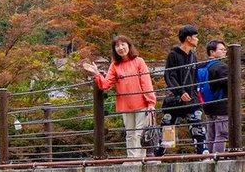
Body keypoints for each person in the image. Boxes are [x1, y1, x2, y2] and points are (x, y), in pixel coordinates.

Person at [82, 35, 157, 160]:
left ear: (129, 45)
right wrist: (96, 73)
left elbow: (146, 82)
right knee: (130, 134)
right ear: (114, 49)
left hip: (142, 103)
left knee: (140, 133)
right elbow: (106, 85)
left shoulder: (139, 61)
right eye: (117, 46)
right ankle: (132, 159)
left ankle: (140, 159)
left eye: (123, 44)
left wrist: (150, 102)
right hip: (125, 105)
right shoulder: (114, 66)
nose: (121, 48)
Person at [156, 25, 206, 156]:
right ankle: (161, 153)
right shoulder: (173, 55)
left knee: (197, 124)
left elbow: (194, 77)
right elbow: (169, 75)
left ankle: (202, 151)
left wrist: (194, 93)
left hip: (191, 97)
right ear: (188, 38)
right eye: (195, 37)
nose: (197, 39)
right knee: (168, 125)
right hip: (176, 98)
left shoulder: (193, 56)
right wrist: (180, 91)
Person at [199, 39, 229, 154]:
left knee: (210, 135)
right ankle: (218, 158)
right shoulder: (221, 67)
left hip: (207, 105)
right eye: (221, 49)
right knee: (222, 134)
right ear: (212, 52)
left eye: (225, 50)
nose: (224, 52)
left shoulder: (203, 66)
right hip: (221, 105)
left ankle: (211, 158)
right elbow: (229, 84)